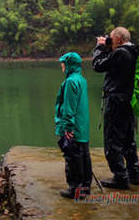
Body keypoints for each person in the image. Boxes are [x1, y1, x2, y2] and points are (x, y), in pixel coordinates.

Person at [93, 26, 139, 189]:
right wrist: (109, 48)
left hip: (115, 102)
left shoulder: (120, 53)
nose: (109, 40)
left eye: (111, 38)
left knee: (112, 140)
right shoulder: (133, 52)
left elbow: (98, 65)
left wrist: (100, 47)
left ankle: (120, 177)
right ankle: (134, 174)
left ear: (119, 39)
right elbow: (111, 65)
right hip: (128, 102)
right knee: (128, 140)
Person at [55, 52, 92, 199]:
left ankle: (75, 189)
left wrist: (67, 128)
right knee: (84, 157)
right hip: (82, 126)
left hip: (74, 128)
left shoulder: (70, 82)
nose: (61, 66)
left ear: (69, 64)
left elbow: (69, 108)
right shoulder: (81, 79)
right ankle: (85, 187)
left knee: (72, 158)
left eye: (63, 63)